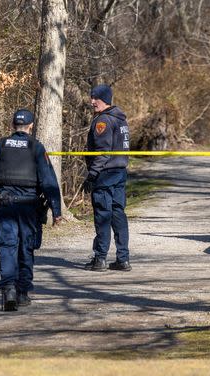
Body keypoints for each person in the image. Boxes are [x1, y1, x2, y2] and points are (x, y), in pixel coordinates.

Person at [0, 109, 63, 311]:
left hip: (5, 205)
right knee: (26, 247)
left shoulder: (1, 145)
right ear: (31, 125)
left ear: (12, 125)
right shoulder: (36, 147)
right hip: (29, 207)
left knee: (7, 247)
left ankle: (9, 289)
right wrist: (56, 210)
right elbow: (49, 182)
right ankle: (23, 292)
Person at [82, 84, 131, 272]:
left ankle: (100, 259)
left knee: (103, 215)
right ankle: (123, 259)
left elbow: (102, 153)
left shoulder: (103, 121)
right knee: (119, 215)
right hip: (119, 173)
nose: (92, 101)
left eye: (96, 98)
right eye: (91, 97)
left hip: (105, 175)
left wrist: (92, 175)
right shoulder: (121, 119)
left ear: (105, 99)